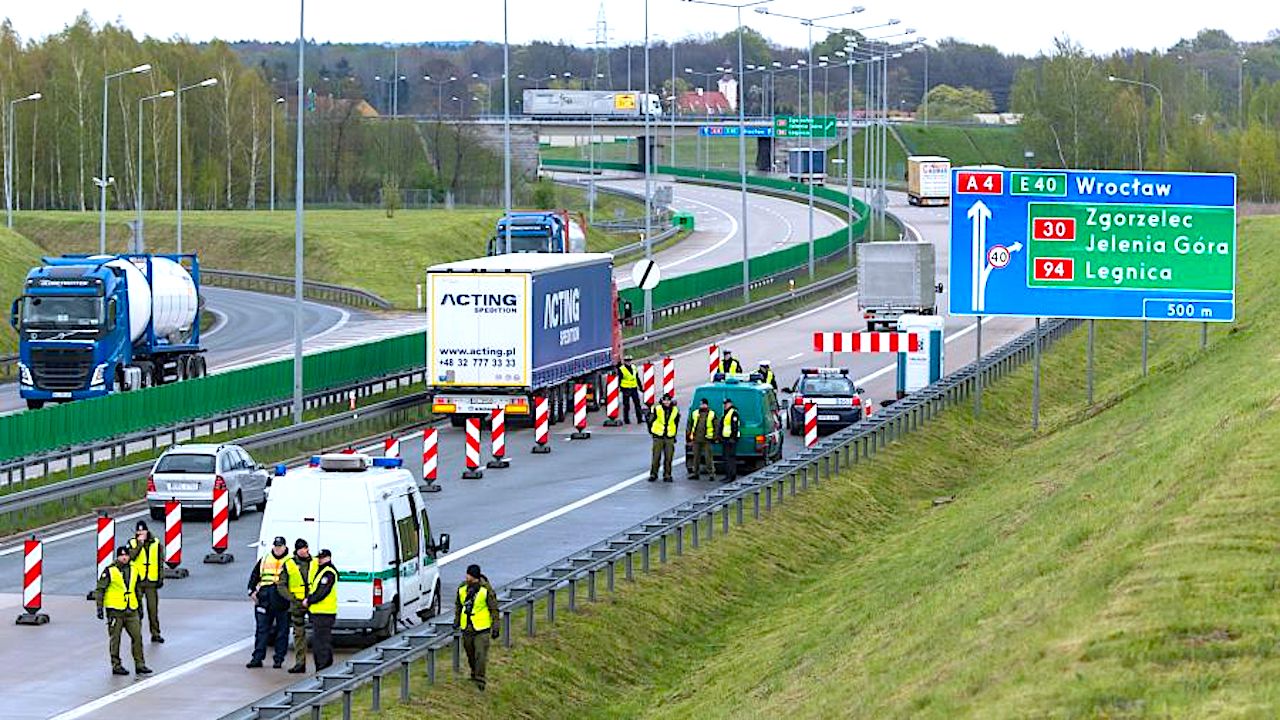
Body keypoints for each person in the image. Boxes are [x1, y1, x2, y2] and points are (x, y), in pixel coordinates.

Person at [96, 546, 152, 676]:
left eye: (126, 555)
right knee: (115, 639)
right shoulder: (110, 571)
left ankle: (140, 664)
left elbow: (137, 590)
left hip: (131, 609)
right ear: (118, 557)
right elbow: (100, 590)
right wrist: (99, 607)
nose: (124, 557)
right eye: (122, 556)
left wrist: (140, 608)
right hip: (116, 611)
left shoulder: (133, 569)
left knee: (137, 636)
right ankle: (116, 665)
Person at [246, 536, 292, 669]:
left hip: (282, 600)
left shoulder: (290, 561)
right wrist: (251, 592)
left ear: (284, 547)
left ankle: (278, 659)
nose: (278, 549)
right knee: (262, 630)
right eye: (276, 547)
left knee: (282, 631)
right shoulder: (265, 559)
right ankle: (257, 658)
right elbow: (254, 576)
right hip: (264, 599)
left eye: (280, 547)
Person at [455, 563, 500, 691]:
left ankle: (480, 680)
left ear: (473, 576)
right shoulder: (462, 588)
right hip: (467, 627)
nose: (466, 577)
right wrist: (457, 621)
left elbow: (494, 609)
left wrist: (496, 626)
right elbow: (458, 606)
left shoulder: (486, 590)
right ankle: (474, 673)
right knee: (470, 654)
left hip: (482, 628)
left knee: (480, 654)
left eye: (468, 575)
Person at [277, 538, 317, 673]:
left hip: (314, 602)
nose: (306, 551)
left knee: (319, 634)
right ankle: (300, 663)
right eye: (303, 548)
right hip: (298, 603)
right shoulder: (289, 564)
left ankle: (321, 663)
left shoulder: (315, 562)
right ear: (298, 550)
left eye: (306, 548)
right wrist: (292, 598)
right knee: (299, 634)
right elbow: (281, 584)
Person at [127, 520, 164, 643]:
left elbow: (160, 562)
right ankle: (137, 636)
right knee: (137, 610)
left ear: (147, 531)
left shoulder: (156, 543)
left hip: (151, 581)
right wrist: (139, 545)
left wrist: (160, 578)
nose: (141, 533)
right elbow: (130, 557)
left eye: (143, 530)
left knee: (152, 609)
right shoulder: (132, 543)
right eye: (138, 531)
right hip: (137, 582)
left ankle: (155, 633)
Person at [303, 549, 339, 672]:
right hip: (320, 613)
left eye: (322, 558)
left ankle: (322, 668)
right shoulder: (323, 571)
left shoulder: (328, 572)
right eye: (319, 557)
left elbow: (322, 592)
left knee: (320, 644)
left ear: (328, 558)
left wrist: (309, 600)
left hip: (324, 613)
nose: (319, 560)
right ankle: (325, 667)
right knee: (323, 642)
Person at [648, 393, 680, 483]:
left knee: (668, 457)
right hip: (658, 436)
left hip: (669, 436)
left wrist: (674, 435)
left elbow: (676, 423)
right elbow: (650, 421)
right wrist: (652, 432)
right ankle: (653, 474)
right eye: (665, 400)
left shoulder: (675, 410)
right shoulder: (657, 409)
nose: (666, 402)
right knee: (656, 456)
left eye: (668, 400)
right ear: (662, 401)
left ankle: (667, 474)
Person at [687, 397, 719, 480]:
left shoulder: (712, 414)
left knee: (708, 458)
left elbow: (716, 426)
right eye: (701, 404)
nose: (702, 406)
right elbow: (690, 425)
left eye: (704, 404)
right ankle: (695, 473)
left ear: (707, 405)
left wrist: (715, 437)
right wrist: (689, 437)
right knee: (696, 458)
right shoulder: (695, 413)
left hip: (707, 439)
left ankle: (711, 474)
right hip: (696, 439)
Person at [617, 354, 643, 424]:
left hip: (634, 388)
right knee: (626, 405)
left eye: (629, 361)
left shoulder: (634, 367)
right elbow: (619, 379)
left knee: (637, 404)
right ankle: (626, 420)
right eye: (627, 361)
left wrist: (640, 387)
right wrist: (619, 388)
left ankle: (639, 419)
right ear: (624, 362)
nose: (628, 362)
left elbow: (637, 378)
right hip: (626, 389)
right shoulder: (622, 369)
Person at [720, 397, 741, 482]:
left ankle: (731, 476)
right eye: (724, 404)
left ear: (730, 404)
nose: (725, 405)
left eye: (726, 404)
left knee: (730, 459)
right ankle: (727, 475)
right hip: (726, 438)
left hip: (731, 439)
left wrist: (733, 438)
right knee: (726, 458)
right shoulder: (726, 413)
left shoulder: (733, 413)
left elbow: (734, 426)